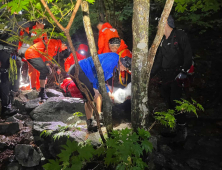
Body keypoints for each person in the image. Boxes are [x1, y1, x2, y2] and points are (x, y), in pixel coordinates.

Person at [151, 15, 192, 142]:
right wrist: (149, 75)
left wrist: (184, 71)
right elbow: (158, 61)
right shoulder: (162, 41)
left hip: (177, 73)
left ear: (165, 23)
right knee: (168, 100)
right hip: (166, 75)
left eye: (159, 24)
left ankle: (182, 128)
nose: (157, 27)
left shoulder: (179, 35)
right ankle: (172, 127)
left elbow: (188, 53)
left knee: (176, 100)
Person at [69, 52, 131, 132]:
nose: (124, 70)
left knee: (98, 94)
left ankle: (98, 116)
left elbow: (101, 80)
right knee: (90, 96)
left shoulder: (113, 67)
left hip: (86, 74)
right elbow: (100, 71)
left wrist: (108, 92)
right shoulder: (114, 57)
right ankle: (90, 122)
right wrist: (100, 89)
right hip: (79, 70)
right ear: (123, 63)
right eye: (125, 68)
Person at [18, 21, 48, 91]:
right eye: (42, 24)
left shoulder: (44, 32)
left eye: (44, 24)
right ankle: (34, 87)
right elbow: (22, 39)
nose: (43, 25)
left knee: (41, 69)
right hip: (31, 52)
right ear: (37, 23)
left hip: (40, 53)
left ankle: (41, 87)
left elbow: (46, 42)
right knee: (33, 70)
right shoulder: (29, 29)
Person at [0, 44, 18, 118]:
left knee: (6, 78)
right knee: (4, 80)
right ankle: (5, 108)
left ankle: (6, 106)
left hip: (7, 52)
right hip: (3, 52)